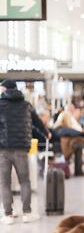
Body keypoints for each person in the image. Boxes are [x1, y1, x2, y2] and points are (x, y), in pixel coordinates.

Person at [0, 79, 49, 225]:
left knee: (4, 182)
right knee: (24, 181)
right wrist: (46, 133)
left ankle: (8, 215)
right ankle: (27, 213)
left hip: (2, 149)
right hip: (21, 148)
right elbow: (37, 122)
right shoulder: (26, 105)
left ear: (6, 89)